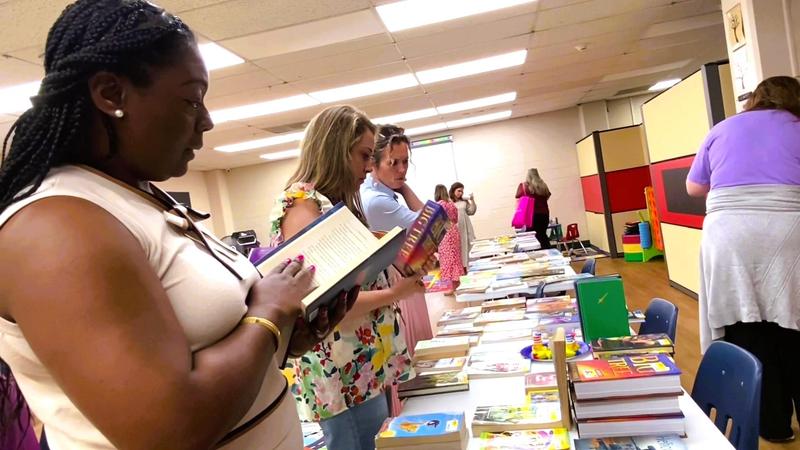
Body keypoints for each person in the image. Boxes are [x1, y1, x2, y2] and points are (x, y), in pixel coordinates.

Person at [0, 2, 354, 448]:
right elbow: (166, 430)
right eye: (191, 100)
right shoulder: (53, 227)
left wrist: (284, 338)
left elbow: (210, 345)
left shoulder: (134, 196)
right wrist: (269, 313)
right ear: (111, 94)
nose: (206, 121)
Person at [270, 106, 424, 450]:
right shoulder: (302, 204)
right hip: (341, 370)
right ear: (337, 151)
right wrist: (394, 293)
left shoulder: (335, 202)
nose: (369, 167)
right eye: (364, 156)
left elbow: (354, 273)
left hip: (362, 363)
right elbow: (322, 300)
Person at [687, 76, 800, 443]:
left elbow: (694, 188)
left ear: (755, 99)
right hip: (788, 230)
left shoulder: (722, 128)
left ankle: (772, 425)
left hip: (727, 235)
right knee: (795, 327)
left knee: (747, 327)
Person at [361, 125, 434, 352]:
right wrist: (406, 190)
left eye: (405, 161)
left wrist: (401, 189)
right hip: (399, 287)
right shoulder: (377, 201)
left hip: (402, 279)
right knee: (414, 354)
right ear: (373, 164)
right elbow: (432, 224)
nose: (402, 170)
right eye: (393, 163)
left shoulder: (379, 193)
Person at [434, 184, 465, 288]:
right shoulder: (451, 204)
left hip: (444, 232)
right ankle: (458, 282)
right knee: (455, 257)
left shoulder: (437, 205)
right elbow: (456, 219)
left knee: (446, 258)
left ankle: (451, 286)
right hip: (453, 230)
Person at [515, 168, 552, 249]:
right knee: (542, 235)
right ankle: (548, 254)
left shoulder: (524, 186)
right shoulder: (543, 186)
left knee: (531, 237)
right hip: (544, 214)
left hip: (531, 215)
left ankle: (535, 255)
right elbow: (548, 195)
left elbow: (517, 197)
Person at [450, 182, 477, 269]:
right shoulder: (449, 202)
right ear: (453, 190)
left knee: (470, 245)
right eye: (459, 191)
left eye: (462, 191)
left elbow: (471, 211)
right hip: (457, 228)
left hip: (466, 227)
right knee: (460, 248)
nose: (461, 193)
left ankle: (471, 267)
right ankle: (462, 268)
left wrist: (472, 200)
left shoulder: (464, 201)